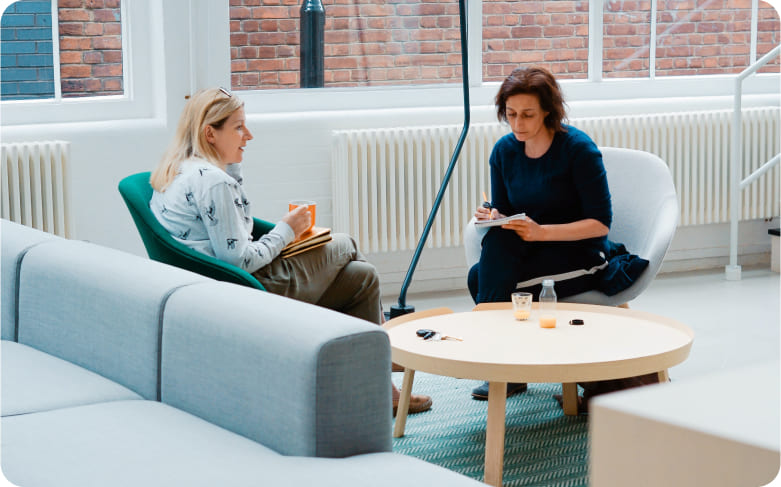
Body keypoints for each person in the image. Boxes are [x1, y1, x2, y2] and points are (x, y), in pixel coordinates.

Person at [149, 87, 431, 416]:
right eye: (238, 127)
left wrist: (235, 172)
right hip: (250, 289)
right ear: (210, 133)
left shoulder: (184, 170)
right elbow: (238, 259)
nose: (248, 135)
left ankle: (382, 389)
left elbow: (232, 233)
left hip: (220, 287)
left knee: (362, 277)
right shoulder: (214, 183)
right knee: (346, 243)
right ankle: (386, 350)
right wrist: (287, 230)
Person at [467, 67, 655, 406]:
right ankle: (508, 362)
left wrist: (541, 233)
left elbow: (600, 224)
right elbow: (506, 211)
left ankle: (502, 362)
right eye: (510, 114)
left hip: (581, 254)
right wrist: (493, 216)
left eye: (527, 115)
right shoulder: (504, 152)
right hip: (533, 251)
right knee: (479, 273)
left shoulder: (578, 150)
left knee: (489, 281)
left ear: (548, 112)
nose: (518, 124)